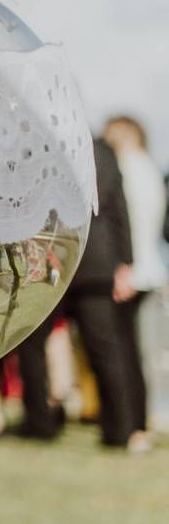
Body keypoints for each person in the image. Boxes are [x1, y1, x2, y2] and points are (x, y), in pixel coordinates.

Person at [15, 136, 138, 447]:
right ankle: (119, 430)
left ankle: (39, 422)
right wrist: (125, 261)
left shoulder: (39, 148)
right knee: (105, 351)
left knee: (32, 344)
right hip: (94, 262)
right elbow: (119, 209)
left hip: (54, 258)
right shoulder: (103, 151)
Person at [105, 115, 167, 446]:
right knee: (136, 352)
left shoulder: (127, 168)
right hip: (148, 271)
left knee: (125, 353)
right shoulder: (150, 168)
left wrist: (123, 268)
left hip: (130, 273)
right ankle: (139, 422)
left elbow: (125, 224)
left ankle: (131, 424)